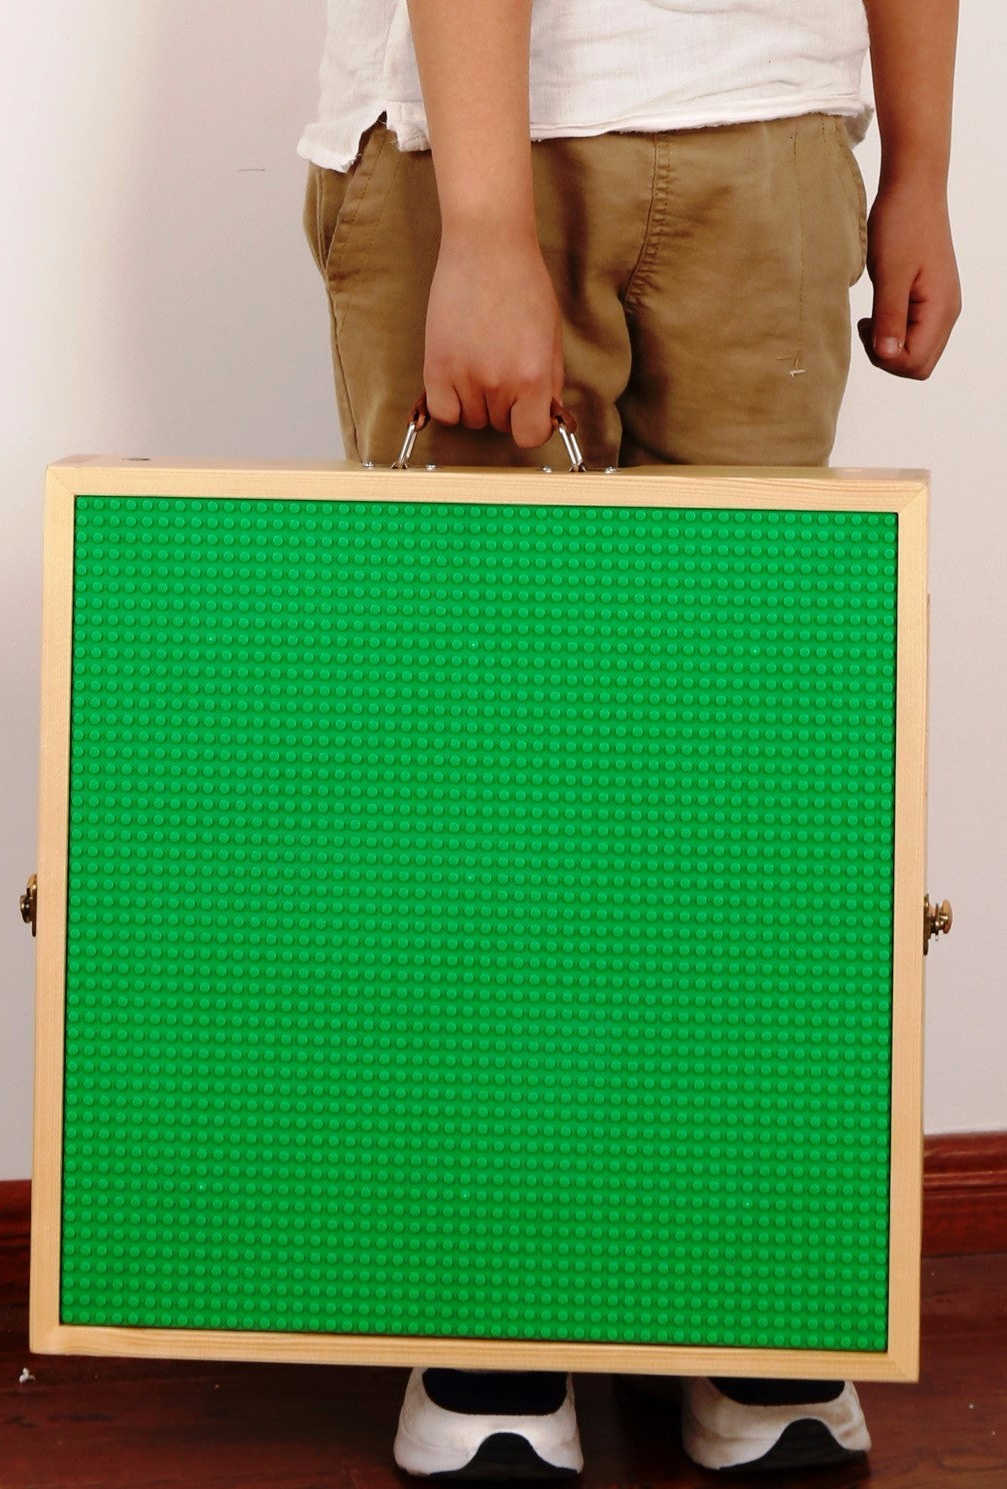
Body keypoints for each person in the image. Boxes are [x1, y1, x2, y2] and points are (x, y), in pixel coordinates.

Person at [299, 0, 961, 1477]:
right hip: (470, 133)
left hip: (770, 123)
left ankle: (737, 1283)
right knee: (490, 760)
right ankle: (494, 1300)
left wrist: (920, 163)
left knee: (744, 765)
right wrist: (481, 219)